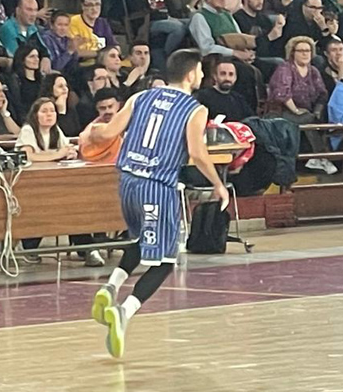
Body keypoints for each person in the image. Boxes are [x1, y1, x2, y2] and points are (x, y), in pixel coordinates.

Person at [89, 49, 229, 358]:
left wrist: (90, 133)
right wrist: (219, 185)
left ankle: (110, 287)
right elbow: (196, 152)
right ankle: (124, 312)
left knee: (140, 240)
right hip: (157, 186)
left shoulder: (140, 97)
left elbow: (109, 132)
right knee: (166, 260)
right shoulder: (195, 109)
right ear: (191, 74)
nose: (203, 77)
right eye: (201, 72)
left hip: (127, 182)